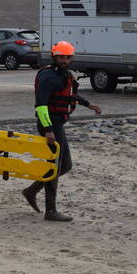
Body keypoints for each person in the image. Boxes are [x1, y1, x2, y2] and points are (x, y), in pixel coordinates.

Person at [22, 41, 101, 222]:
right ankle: (50, 211)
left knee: (64, 165)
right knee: (56, 165)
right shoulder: (48, 77)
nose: (64, 60)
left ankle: (31, 191)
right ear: (54, 57)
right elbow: (41, 106)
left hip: (58, 124)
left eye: (67, 57)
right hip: (49, 125)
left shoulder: (65, 75)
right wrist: (48, 130)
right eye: (61, 57)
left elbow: (69, 94)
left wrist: (88, 104)